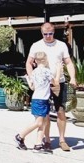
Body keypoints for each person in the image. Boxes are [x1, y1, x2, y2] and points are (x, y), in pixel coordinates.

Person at [27, 21, 78, 152]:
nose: (48, 36)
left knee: (60, 111)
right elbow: (29, 62)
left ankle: (62, 139)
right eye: (45, 34)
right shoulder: (36, 45)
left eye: (50, 33)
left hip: (58, 82)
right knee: (44, 114)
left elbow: (68, 62)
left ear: (54, 32)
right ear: (41, 33)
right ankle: (47, 139)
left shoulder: (61, 45)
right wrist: (33, 78)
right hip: (42, 84)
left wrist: (72, 77)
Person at [15, 49, 59, 153]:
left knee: (42, 123)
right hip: (42, 100)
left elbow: (33, 88)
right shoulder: (47, 72)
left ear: (36, 61)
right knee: (39, 123)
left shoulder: (34, 72)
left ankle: (38, 144)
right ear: (45, 60)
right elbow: (56, 83)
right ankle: (20, 136)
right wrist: (59, 69)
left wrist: (28, 80)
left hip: (37, 98)